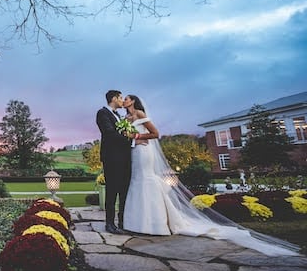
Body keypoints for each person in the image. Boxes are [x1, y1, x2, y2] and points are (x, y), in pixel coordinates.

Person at [121, 94, 301, 256]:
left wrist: (136, 137)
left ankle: (155, 223)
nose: (125, 101)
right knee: (137, 180)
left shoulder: (139, 114)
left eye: (127, 98)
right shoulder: (126, 117)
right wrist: (129, 137)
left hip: (145, 152)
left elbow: (155, 133)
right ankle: (137, 222)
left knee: (147, 179)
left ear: (134, 101)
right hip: (134, 152)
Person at [96, 90, 141, 234]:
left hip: (125, 158)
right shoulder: (102, 113)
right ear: (114, 98)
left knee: (124, 191)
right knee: (112, 191)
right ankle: (109, 223)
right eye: (120, 97)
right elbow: (109, 134)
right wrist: (132, 138)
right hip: (112, 158)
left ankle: (123, 221)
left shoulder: (120, 116)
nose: (122, 100)